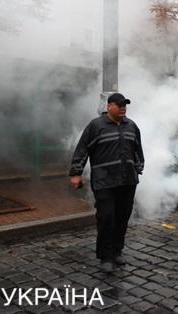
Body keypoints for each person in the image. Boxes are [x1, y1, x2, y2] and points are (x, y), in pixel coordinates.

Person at [69, 93, 145, 273]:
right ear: (109, 106)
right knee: (106, 217)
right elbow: (82, 149)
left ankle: (117, 250)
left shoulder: (131, 126)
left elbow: (137, 149)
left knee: (122, 217)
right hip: (104, 181)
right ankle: (105, 256)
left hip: (127, 180)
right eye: (119, 105)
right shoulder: (96, 126)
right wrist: (76, 173)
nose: (123, 108)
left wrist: (139, 166)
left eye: (125, 105)